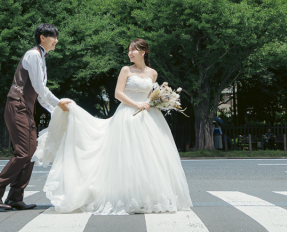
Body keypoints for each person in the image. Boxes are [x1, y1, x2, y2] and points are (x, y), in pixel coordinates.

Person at [33, 38, 192, 215]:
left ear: (143, 52)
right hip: (127, 115)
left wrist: (154, 102)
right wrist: (137, 104)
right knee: (127, 156)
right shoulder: (126, 70)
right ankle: (127, 195)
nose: (130, 53)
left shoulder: (152, 73)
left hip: (149, 117)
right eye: (129, 50)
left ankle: (147, 196)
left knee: (149, 157)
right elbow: (118, 94)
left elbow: (150, 95)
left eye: (133, 50)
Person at [0, 24, 72, 211]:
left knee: (30, 154)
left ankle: (15, 197)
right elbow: (41, 88)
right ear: (42, 37)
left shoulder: (40, 57)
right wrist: (59, 103)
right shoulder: (33, 55)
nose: (56, 41)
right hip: (17, 106)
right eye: (53, 37)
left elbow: (39, 94)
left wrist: (55, 110)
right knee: (23, 152)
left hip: (26, 108)